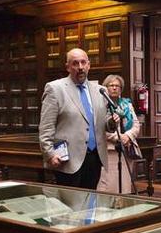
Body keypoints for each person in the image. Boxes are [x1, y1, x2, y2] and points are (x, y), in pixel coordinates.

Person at [39, 48, 115, 189]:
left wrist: (111, 122)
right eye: (75, 63)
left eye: (83, 62)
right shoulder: (55, 89)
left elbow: (103, 123)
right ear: (68, 67)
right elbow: (46, 127)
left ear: (89, 65)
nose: (80, 67)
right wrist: (49, 153)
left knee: (90, 201)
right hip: (68, 160)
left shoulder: (100, 90)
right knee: (70, 206)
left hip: (95, 157)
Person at [97, 75, 141, 194]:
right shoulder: (100, 106)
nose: (115, 88)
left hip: (126, 149)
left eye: (117, 86)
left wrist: (128, 136)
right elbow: (99, 128)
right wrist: (118, 137)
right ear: (105, 88)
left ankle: (123, 208)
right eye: (111, 85)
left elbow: (136, 124)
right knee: (109, 185)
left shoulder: (127, 104)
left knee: (125, 184)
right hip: (109, 150)